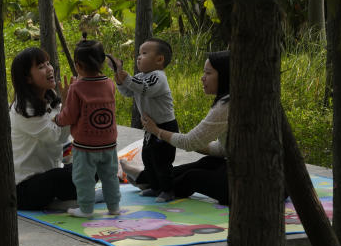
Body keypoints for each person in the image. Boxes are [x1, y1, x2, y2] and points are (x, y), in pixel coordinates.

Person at [140, 50, 231, 206]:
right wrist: (183, 140)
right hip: (239, 167)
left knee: (192, 176)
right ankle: (144, 178)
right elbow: (223, 149)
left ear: (224, 75)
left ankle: (150, 182)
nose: (202, 78)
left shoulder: (227, 104)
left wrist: (157, 131)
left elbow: (189, 142)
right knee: (205, 163)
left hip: (250, 183)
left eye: (208, 73)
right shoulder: (229, 100)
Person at [54, 37, 123, 218]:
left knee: (83, 178)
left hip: (85, 146)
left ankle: (86, 209)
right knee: (109, 176)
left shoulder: (76, 88)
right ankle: (114, 207)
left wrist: (57, 119)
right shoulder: (109, 83)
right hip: (109, 143)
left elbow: (69, 115)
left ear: (78, 65)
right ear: (101, 62)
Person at [10, 46, 77, 211]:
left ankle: (63, 198)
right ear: (27, 78)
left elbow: (64, 132)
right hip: (24, 188)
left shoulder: (49, 96)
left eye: (48, 63)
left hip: (49, 174)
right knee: (62, 176)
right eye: (41, 66)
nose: (49, 69)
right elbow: (57, 136)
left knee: (92, 163)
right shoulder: (24, 109)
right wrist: (68, 107)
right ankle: (65, 199)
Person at [114, 37, 177, 202]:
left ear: (159, 59)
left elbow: (145, 89)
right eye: (139, 54)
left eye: (144, 53)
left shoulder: (158, 77)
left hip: (165, 126)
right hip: (150, 127)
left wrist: (127, 77)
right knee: (148, 157)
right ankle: (155, 187)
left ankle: (167, 190)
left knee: (162, 160)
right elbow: (129, 92)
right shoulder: (141, 76)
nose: (139, 57)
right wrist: (120, 80)